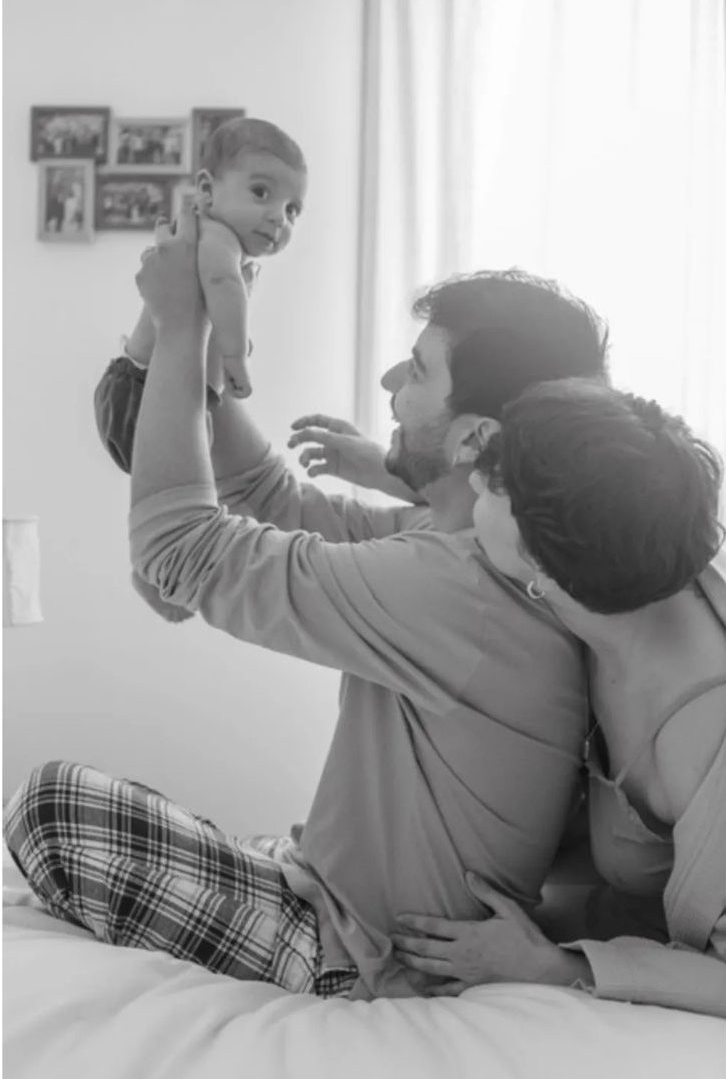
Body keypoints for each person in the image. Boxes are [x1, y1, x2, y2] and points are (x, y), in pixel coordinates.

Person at [6, 213, 617, 1001]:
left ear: (474, 438)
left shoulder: (463, 589)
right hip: (327, 887)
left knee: (48, 806)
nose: (391, 383)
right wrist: (190, 325)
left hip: (355, 954)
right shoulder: (459, 544)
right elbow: (270, 497)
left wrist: (182, 327)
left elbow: (178, 548)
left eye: (418, 370)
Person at [290, 383, 726, 1017]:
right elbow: (577, 478)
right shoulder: (626, 552)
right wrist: (387, 470)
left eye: (494, 486)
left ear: (539, 560)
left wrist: (554, 968)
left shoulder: (704, 740)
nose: (473, 484)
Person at [95, 116, 307, 622]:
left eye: (292, 209)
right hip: (145, 395)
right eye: (262, 193)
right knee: (201, 499)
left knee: (215, 499)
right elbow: (224, 288)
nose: (278, 218)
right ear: (207, 191)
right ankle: (157, 575)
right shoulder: (215, 240)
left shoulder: (216, 240)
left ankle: (158, 579)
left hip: (155, 391)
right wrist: (236, 357)